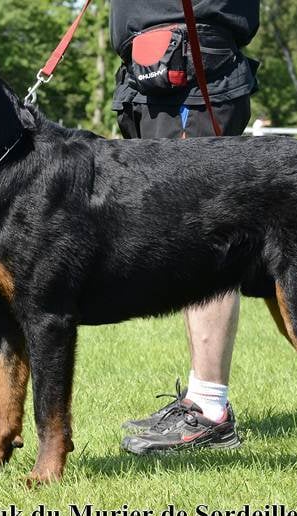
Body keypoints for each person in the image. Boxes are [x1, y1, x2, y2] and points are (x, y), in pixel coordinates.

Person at [110, 0, 259, 454]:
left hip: (192, 60)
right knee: (189, 243)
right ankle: (200, 402)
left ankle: (210, 412)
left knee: (208, 243)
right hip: (148, 65)